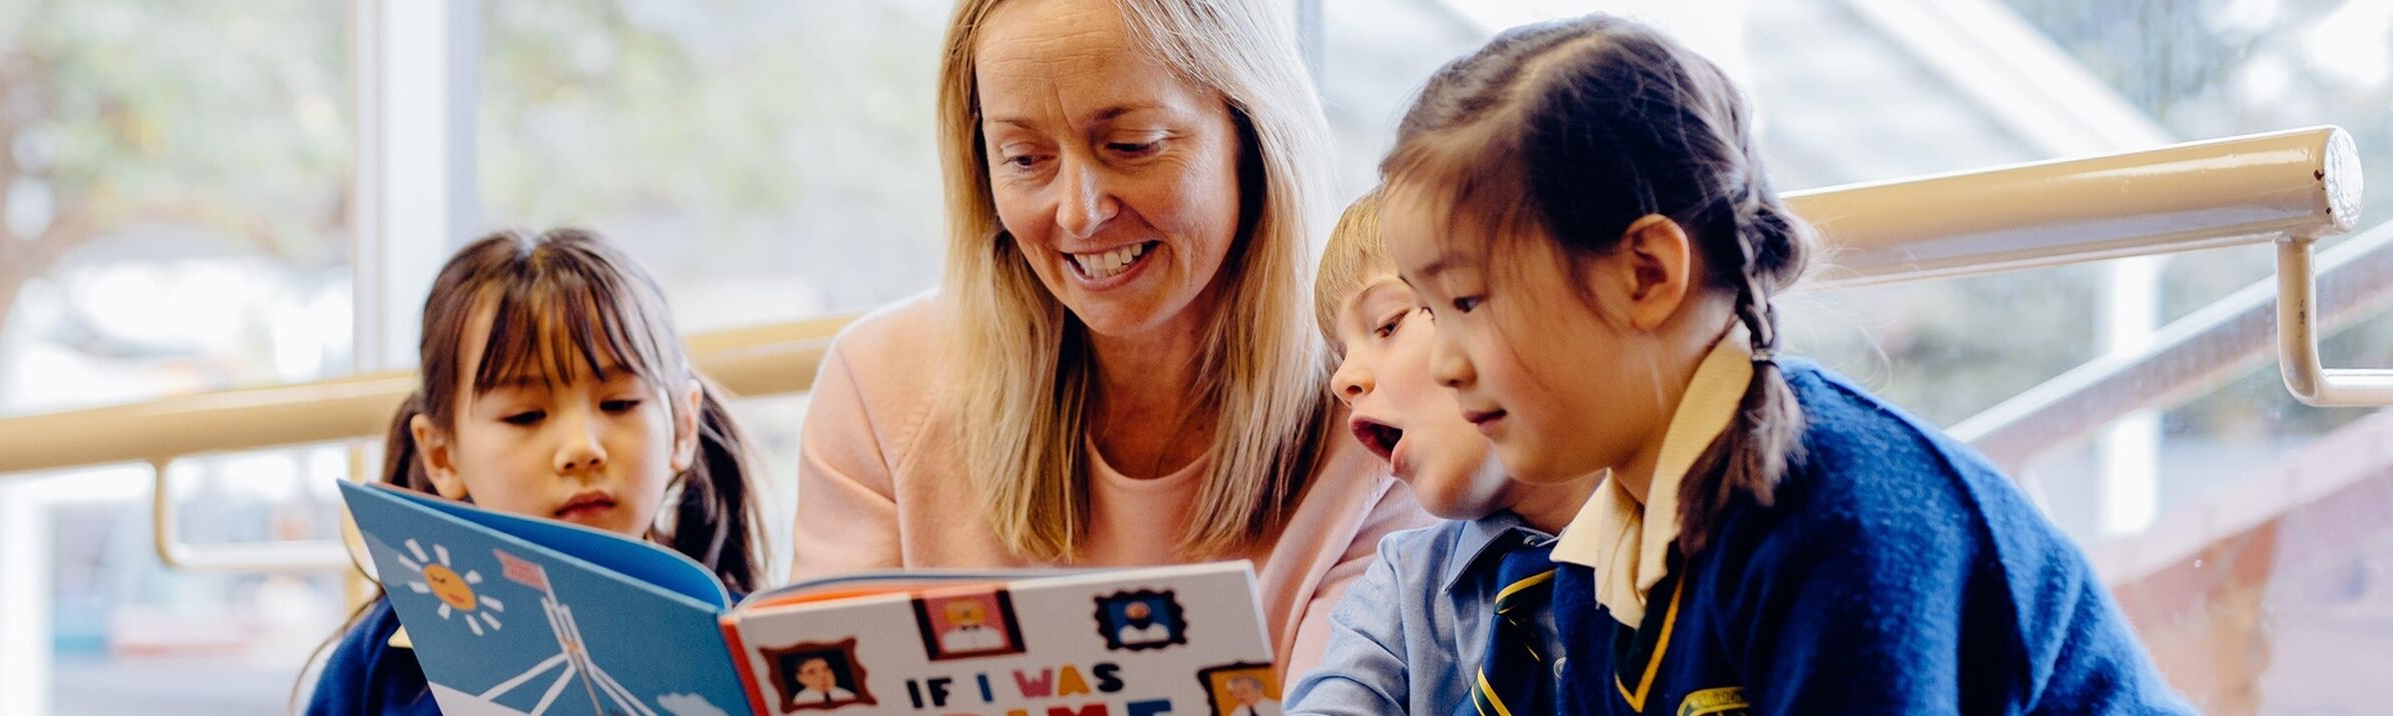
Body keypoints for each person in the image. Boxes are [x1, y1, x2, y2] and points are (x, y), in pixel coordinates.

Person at [1377, 15, 2194, 714]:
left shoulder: (1848, 523)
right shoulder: (1594, 573)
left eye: (1469, 302)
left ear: (1647, 275)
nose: (1444, 363)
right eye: (1427, 310)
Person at [793, 0, 1430, 678]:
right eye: (1025, 158)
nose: (1078, 211)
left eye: (1132, 146)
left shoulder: (1388, 407)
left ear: (1252, 135)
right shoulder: (879, 385)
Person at [301, 229, 767, 715]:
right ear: (441, 456)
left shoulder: (756, 653)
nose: (582, 449)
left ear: (684, 426)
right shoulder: (384, 664)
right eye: (526, 415)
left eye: (620, 403)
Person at [1283, 192, 1598, 715]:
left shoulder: (1714, 538)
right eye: (1341, 356)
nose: (1342, 379)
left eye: (1386, 325)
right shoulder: (1399, 587)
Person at [938, 599, 1007, 652]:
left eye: (972, 613)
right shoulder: (949, 637)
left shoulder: (993, 634)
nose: (967, 618)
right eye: (958, 614)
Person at [791, 657, 856, 705]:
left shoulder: (846, 695)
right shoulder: (801, 701)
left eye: (825, 669)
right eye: (812, 672)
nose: (823, 676)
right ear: (800, 678)